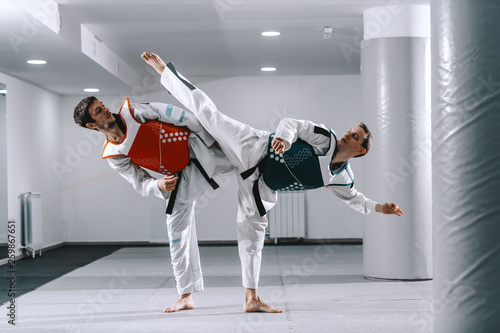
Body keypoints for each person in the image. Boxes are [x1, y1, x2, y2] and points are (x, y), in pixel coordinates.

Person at [141, 52, 404, 313]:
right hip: (253, 148)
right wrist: (286, 139)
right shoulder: (327, 137)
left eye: (354, 137)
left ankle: (251, 298)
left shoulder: (341, 177)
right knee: (209, 114)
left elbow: (354, 199)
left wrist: (381, 207)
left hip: (261, 186)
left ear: (361, 151)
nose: (347, 135)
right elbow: (292, 123)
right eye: (350, 131)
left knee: (253, 235)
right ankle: (166, 72)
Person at [73, 95, 234, 312]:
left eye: (102, 106)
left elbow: (181, 116)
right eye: (98, 111)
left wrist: (210, 138)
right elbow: (139, 182)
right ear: (92, 125)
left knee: (249, 159)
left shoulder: (135, 112)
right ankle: (185, 295)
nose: (106, 110)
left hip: (199, 148)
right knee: (175, 235)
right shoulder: (114, 154)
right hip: (179, 179)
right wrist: (157, 184)